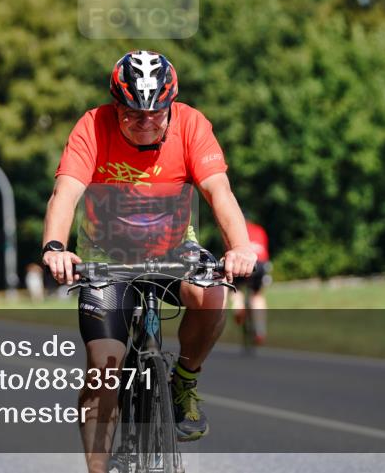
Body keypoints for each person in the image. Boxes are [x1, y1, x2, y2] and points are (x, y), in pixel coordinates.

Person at [41, 50, 257, 473]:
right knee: (104, 370)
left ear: (170, 106)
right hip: (107, 257)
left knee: (213, 292)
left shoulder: (192, 125)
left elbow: (219, 192)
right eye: (132, 114)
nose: (145, 122)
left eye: (157, 114)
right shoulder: (92, 126)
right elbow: (64, 194)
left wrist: (241, 247)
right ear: (115, 106)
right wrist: (55, 247)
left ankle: (185, 382)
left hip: (174, 250)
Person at [230, 219, 272, 344]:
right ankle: (260, 330)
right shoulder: (259, 229)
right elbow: (265, 252)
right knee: (257, 294)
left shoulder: (233, 228)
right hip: (260, 265)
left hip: (242, 262)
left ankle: (238, 308)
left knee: (235, 288)